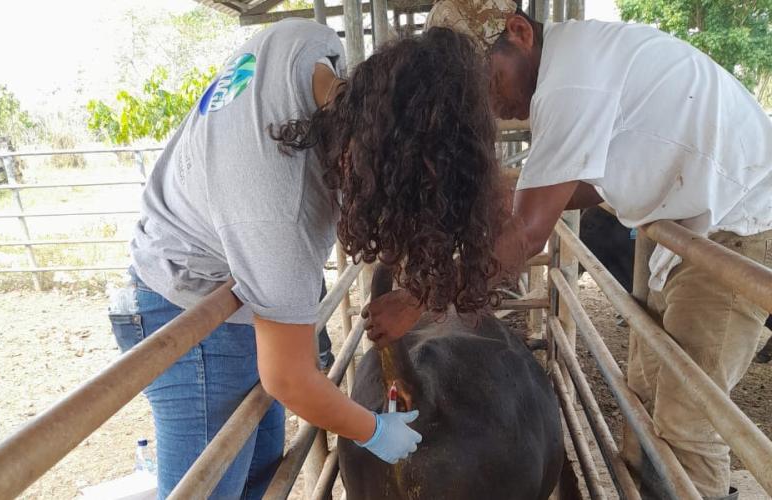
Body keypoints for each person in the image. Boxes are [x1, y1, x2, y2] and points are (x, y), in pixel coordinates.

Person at [364, 2, 772, 499]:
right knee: (644, 403)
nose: (490, 105)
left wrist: (419, 299)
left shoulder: (571, 82)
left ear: (519, 33)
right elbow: (580, 188)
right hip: (682, 226)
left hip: (737, 226)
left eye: (487, 83)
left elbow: (528, 236)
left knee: (688, 422)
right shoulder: (576, 65)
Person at [108, 18, 506, 499]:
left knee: (253, 477)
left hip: (228, 290)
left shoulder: (305, 41)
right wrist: (375, 431)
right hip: (187, 309)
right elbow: (288, 377)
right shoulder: (280, 213)